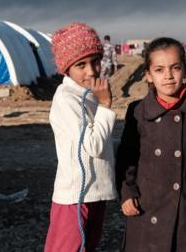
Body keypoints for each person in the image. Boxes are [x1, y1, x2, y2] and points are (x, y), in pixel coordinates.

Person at [116, 37, 186, 252]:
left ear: (185, 69)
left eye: (175, 68)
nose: (168, 76)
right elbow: (126, 157)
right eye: (159, 70)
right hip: (147, 203)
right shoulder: (138, 111)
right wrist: (127, 193)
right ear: (148, 74)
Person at [44, 22, 117, 252]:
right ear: (66, 68)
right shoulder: (66, 99)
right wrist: (106, 104)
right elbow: (94, 145)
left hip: (96, 193)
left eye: (95, 61)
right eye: (81, 65)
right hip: (76, 197)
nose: (92, 71)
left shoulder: (87, 95)